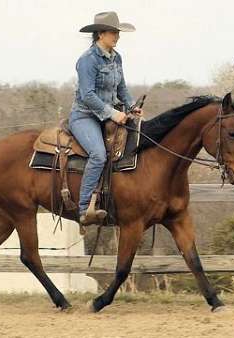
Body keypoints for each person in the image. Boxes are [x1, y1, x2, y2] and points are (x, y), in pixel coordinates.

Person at [69, 11, 144, 225]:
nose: (117, 36)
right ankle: (84, 209)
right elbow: (87, 95)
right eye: (113, 32)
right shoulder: (87, 60)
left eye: (117, 33)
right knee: (99, 155)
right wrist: (113, 113)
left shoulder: (116, 57)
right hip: (85, 116)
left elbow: (121, 87)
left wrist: (131, 106)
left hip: (110, 116)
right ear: (101, 34)